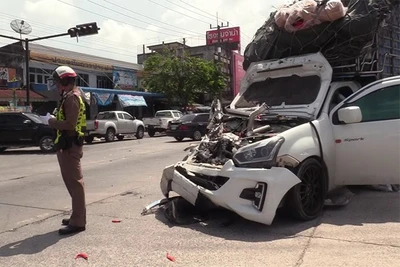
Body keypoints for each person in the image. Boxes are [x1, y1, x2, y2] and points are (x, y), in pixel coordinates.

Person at [46, 66, 87, 235]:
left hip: (71, 146)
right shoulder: (69, 97)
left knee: (75, 184)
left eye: (57, 83)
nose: (56, 86)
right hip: (67, 145)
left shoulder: (72, 98)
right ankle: (76, 215)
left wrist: (51, 121)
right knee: (71, 183)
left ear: (65, 81)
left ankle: (78, 221)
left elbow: (70, 124)